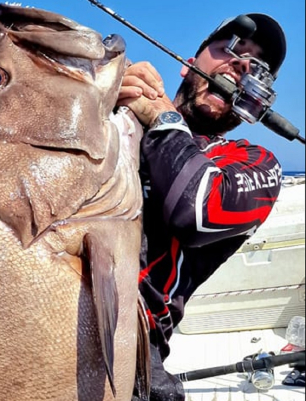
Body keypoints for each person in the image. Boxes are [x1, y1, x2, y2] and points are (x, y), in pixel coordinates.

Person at [116, 13, 287, 401]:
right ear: (188, 65)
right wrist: (98, 94)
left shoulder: (253, 162)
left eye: (258, 69)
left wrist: (162, 117)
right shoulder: (116, 116)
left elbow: (197, 211)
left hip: (131, 339)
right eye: (232, 48)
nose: (242, 65)